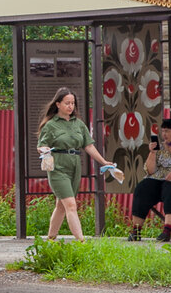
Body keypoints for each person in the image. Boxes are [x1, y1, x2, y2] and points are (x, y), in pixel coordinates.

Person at [36, 87, 116, 242]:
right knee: (71, 205)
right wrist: (43, 149)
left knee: (61, 205)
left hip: (74, 166)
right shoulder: (51, 125)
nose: (70, 106)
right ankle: (82, 242)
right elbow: (41, 145)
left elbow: (88, 146)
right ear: (58, 104)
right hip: (58, 166)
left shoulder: (78, 124)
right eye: (67, 103)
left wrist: (104, 161)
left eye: (72, 103)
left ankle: (50, 239)